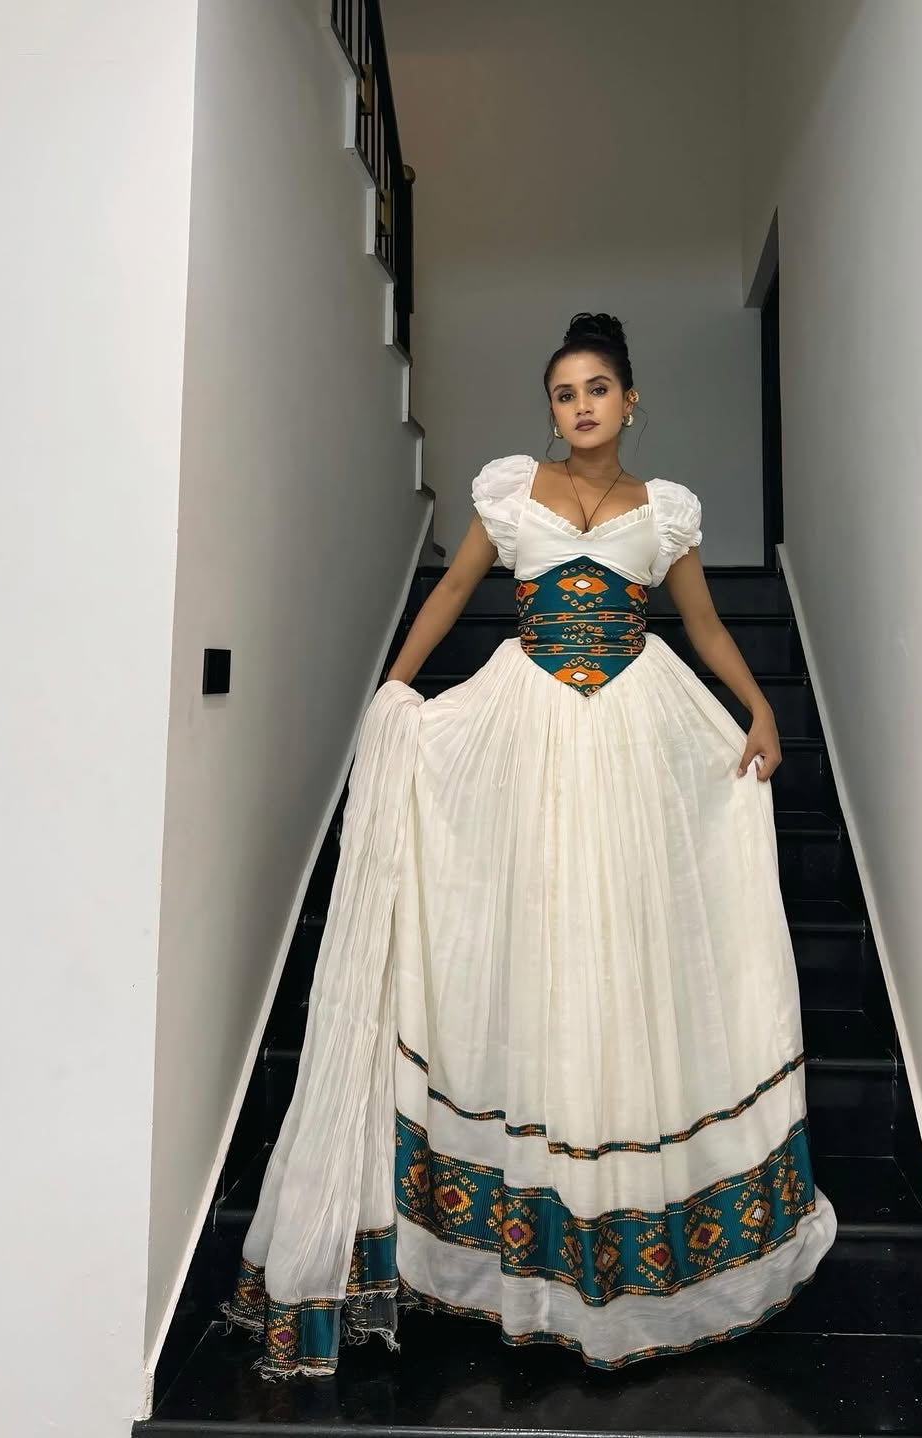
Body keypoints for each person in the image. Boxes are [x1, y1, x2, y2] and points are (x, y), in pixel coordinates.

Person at [225, 312, 837, 1377]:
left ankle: (629, 1219)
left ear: (630, 400)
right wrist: (397, 687)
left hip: (638, 737)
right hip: (526, 728)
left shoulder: (666, 513)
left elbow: (702, 625)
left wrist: (757, 708)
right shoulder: (509, 495)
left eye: (599, 387)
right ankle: (515, 1227)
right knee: (533, 933)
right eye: (565, 392)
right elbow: (457, 590)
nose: (582, 405)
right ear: (549, 409)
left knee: (620, 944)